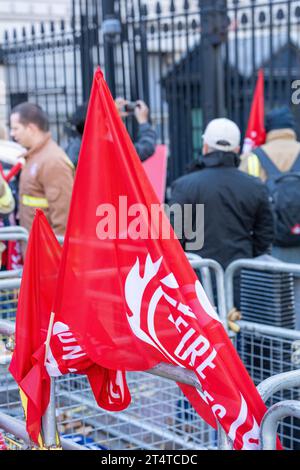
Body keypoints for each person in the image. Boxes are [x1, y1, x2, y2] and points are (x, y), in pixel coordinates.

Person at [169, 118, 274, 271]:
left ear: (205, 147)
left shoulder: (184, 186)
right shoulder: (256, 186)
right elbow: (264, 236)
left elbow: (174, 238)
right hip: (242, 278)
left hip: (198, 280)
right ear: (237, 150)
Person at [240, 106, 300, 263]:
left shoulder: (253, 157)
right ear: (292, 128)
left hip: (270, 244)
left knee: (274, 286)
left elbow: (244, 200)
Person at [10, 102, 74, 240]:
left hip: (46, 253)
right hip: (36, 249)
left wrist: (54, 253)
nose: (12, 134)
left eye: (16, 128)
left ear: (31, 128)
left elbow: (64, 217)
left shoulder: (52, 161)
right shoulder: (35, 157)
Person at [65, 98, 157, 167]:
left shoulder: (73, 148)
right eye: (102, 119)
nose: (106, 123)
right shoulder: (105, 150)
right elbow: (145, 148)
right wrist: (143, 122)